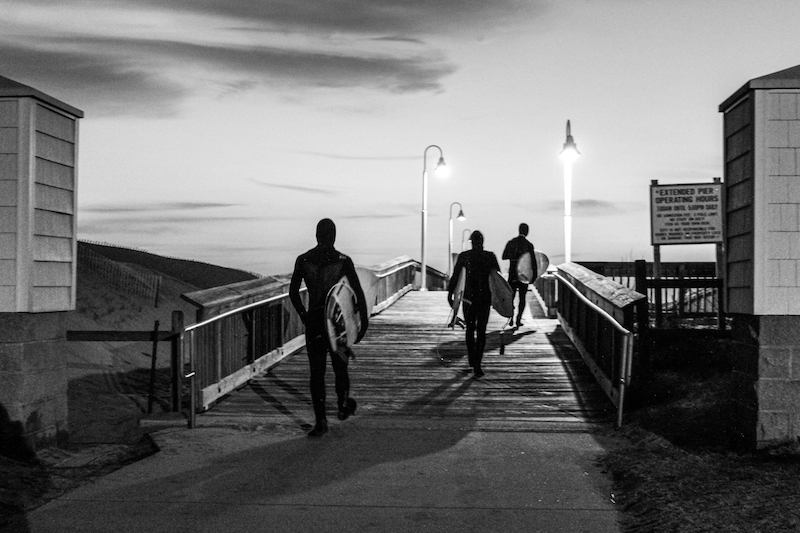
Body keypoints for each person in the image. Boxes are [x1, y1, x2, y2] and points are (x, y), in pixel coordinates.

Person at [289, 218, 369, 437]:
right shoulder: (343, 261)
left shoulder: (304, 259)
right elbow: (358, 294)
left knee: (317, 373)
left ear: (316, 235)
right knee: (340, 367)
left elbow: (293, 293)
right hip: (337, 323)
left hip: (314, 321)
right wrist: (363, 323)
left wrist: (304, 316)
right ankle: (343, 406)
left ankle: (321, 421)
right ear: (334, 236)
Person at [447, 230, 500, 378]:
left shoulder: (465, 256)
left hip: (469, 299)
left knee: (470, 328)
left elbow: (456, 276)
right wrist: (502, 301)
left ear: (471, 241)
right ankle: (478, 363)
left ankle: (471, 357)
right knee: (481, 331)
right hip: (484, 298)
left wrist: (450, 294)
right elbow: (497, 279)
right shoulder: (490, 257)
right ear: (483, 241)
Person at [502, 223, 536, 328]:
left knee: (511, 297)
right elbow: (533, 262)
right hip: (523, 275)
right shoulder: (529, 245)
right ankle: (518, 319)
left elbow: (504, 256)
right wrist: (533, 276)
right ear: (527, 232)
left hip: (512, 274)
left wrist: (513, 257)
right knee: (522, 297)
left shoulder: (511, 243)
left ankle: (510, 317)